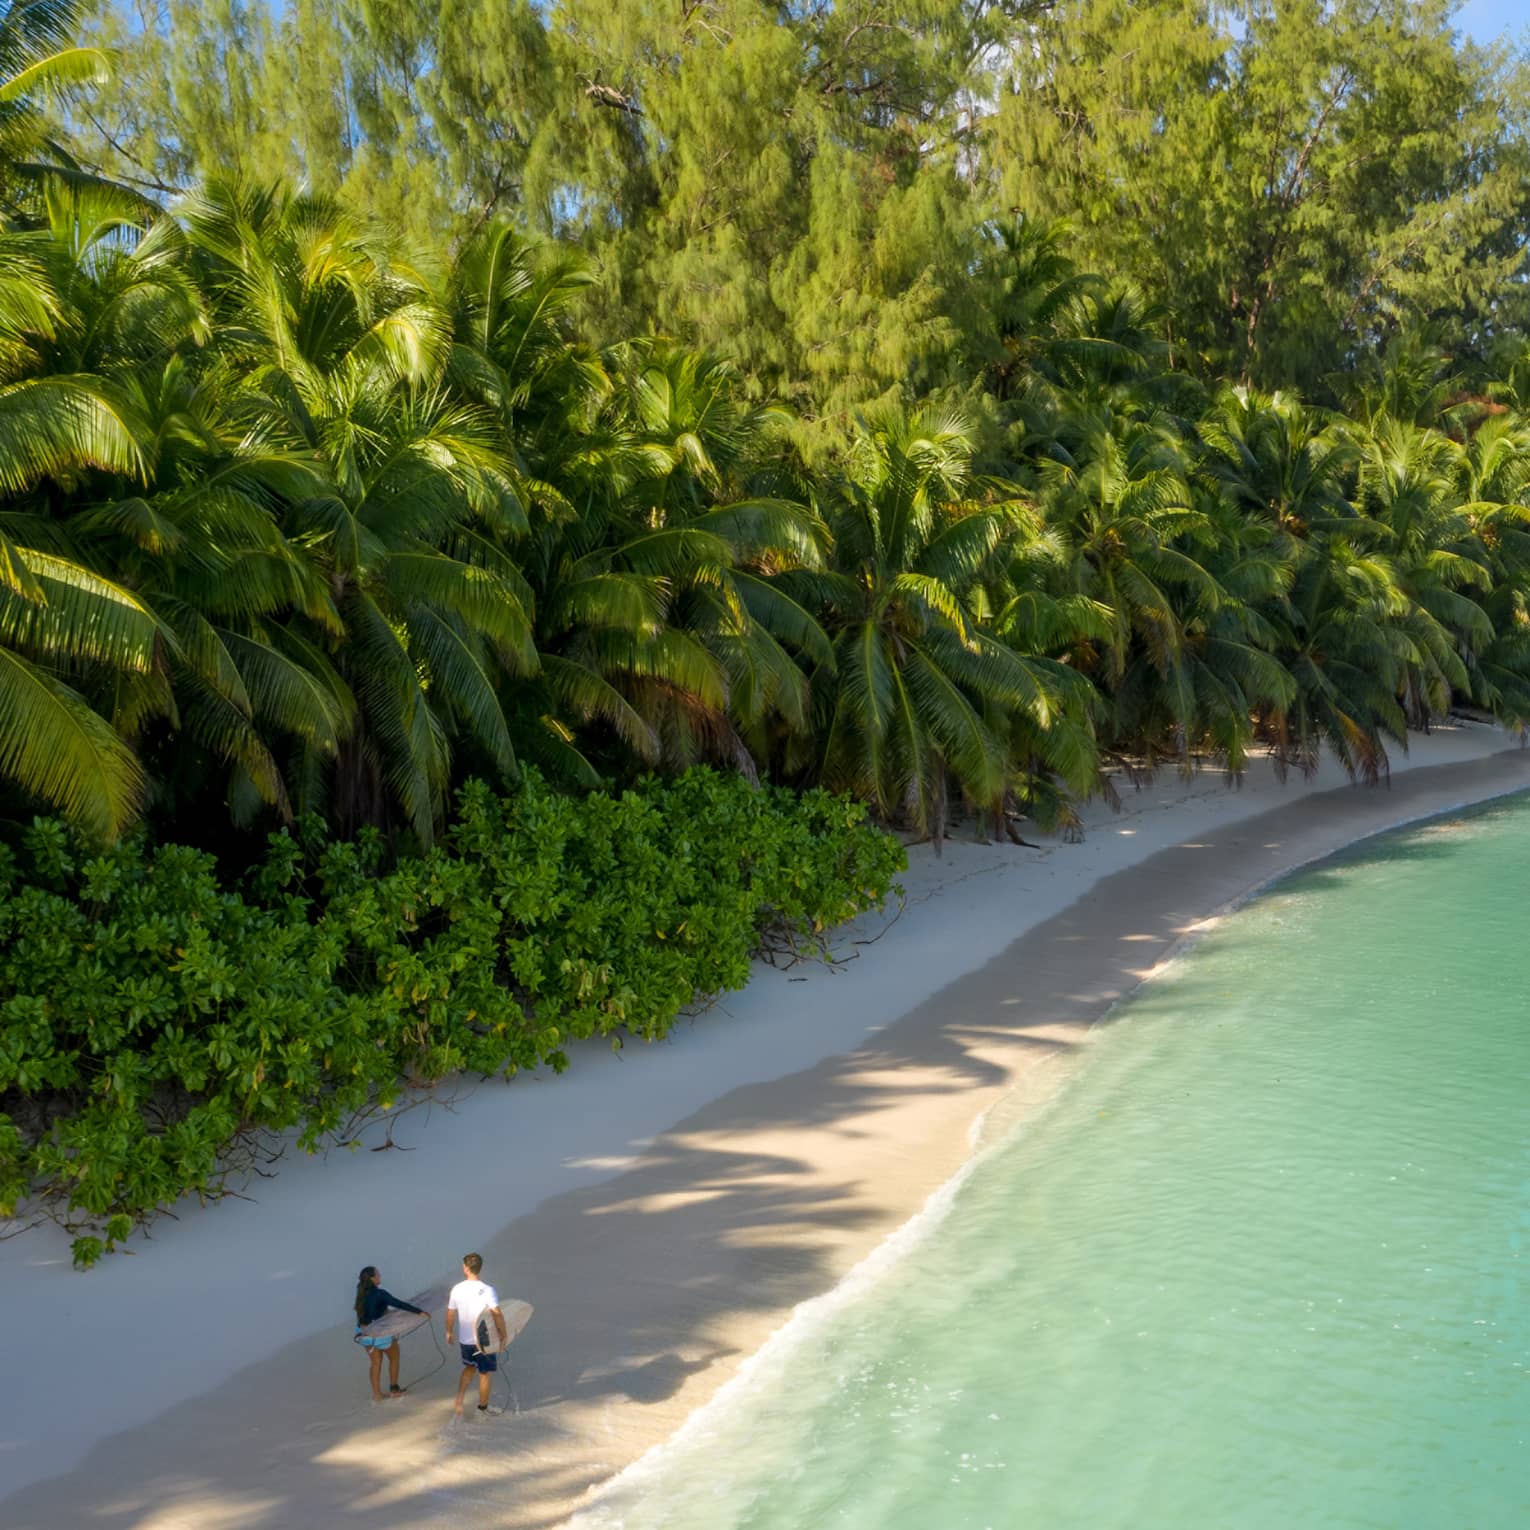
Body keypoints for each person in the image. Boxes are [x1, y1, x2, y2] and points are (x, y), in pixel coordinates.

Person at [446, 1251, 509, 1416]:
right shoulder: (488, 1290)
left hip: (465, 1339)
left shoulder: (457, 1289)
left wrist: (448, 1331)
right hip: (484, 1340)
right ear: (479, 1268)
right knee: (484, 1373)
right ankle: (482, 1409)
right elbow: (497, 1314)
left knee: (469, 1367)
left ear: (466, 1268)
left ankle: (459, 1399)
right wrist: (503, 1334)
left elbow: (451, 1313)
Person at [353, 1265, 428, 1402]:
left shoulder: (361, 1294)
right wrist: (419, 1312)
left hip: (363, 1334)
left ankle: (377, 1395)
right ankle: (394, 1389)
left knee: (376, 1363)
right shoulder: (380, 1293)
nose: (380, 1277)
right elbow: (398, 1304)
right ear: (372, 1278)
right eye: (378, 1275)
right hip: (380, 1334)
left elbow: (368, 1313)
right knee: (394, 1358)